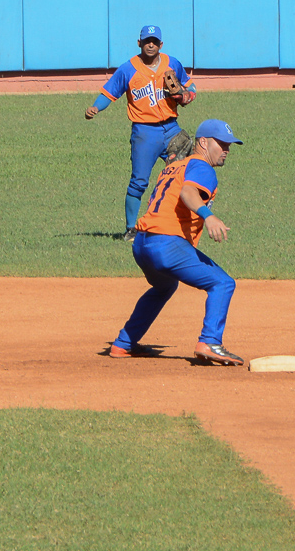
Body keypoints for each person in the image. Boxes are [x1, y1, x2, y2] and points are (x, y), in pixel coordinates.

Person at [109, 119, 245, 365]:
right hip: (166, 245)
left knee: (164, 287)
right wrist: (209, 216)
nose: (226, 150)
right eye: (221, 144)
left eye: (229, 145)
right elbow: (188, 193)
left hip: (141, 244)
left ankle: (123, 344)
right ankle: (210, 341)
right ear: (202, 142)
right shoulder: (202, 167)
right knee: (223, 284)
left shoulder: (174, 166)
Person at [85, 25, 196, 240]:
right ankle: (131, 229)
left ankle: (179, 225)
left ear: (161, 44)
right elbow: (109, 92)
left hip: (172, 128)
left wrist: (184, 96)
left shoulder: (172, 63)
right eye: (147, 41)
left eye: (154, 41)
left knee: (184, 176)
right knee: (139, 181)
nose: (151, 44)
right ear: (140, 43)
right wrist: (96, 107)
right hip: (144, 132)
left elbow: (192, 89)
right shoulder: (128, 69)